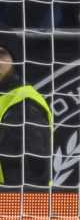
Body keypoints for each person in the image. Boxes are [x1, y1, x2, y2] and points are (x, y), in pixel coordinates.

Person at [0, 42, 52, 187]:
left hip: (11, 203)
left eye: (1, 54)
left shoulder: (24, 104)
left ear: (15, 59)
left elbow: (31, 174)